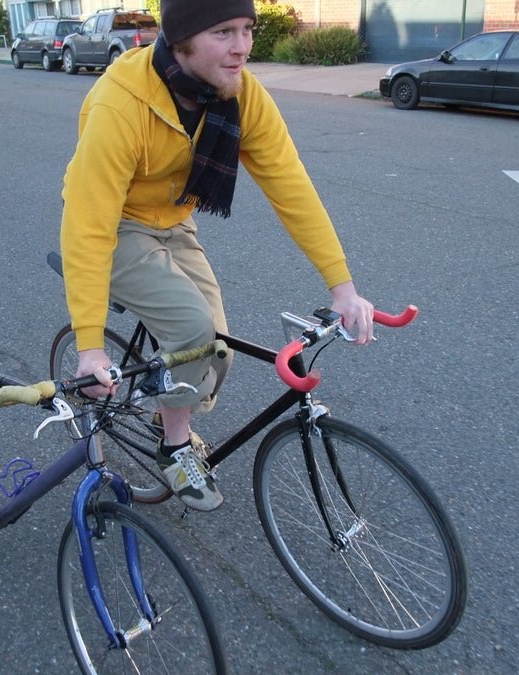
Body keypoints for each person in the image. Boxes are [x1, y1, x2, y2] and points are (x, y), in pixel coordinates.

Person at [60, 0, 375, 512]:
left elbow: (291, 187)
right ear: (182, 39)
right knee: (191, 328)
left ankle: (167, 407)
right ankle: (175, 445)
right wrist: (90, 347)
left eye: (247, 29)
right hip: (116, 224)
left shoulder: (239, 94)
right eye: (224, 32)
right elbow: (89, 228)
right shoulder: (121, 102)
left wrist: (342, 287)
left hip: (173, 218)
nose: (243, 47)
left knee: (217, 345)